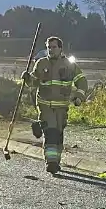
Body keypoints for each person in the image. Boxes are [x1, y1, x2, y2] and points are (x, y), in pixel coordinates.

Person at [21, 36, 87, 174]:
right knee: (50, 133)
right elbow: (35, 82)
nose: (51, 50)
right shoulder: (41, 63)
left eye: (54, 47)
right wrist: (28, 78)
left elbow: (81, 81)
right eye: (49, 47)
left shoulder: (69, 65)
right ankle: (50, 162)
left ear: (60, 48)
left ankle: (56, 161)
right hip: (45, 106)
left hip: (62, 108)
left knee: (58, 136)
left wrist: (79, 97)